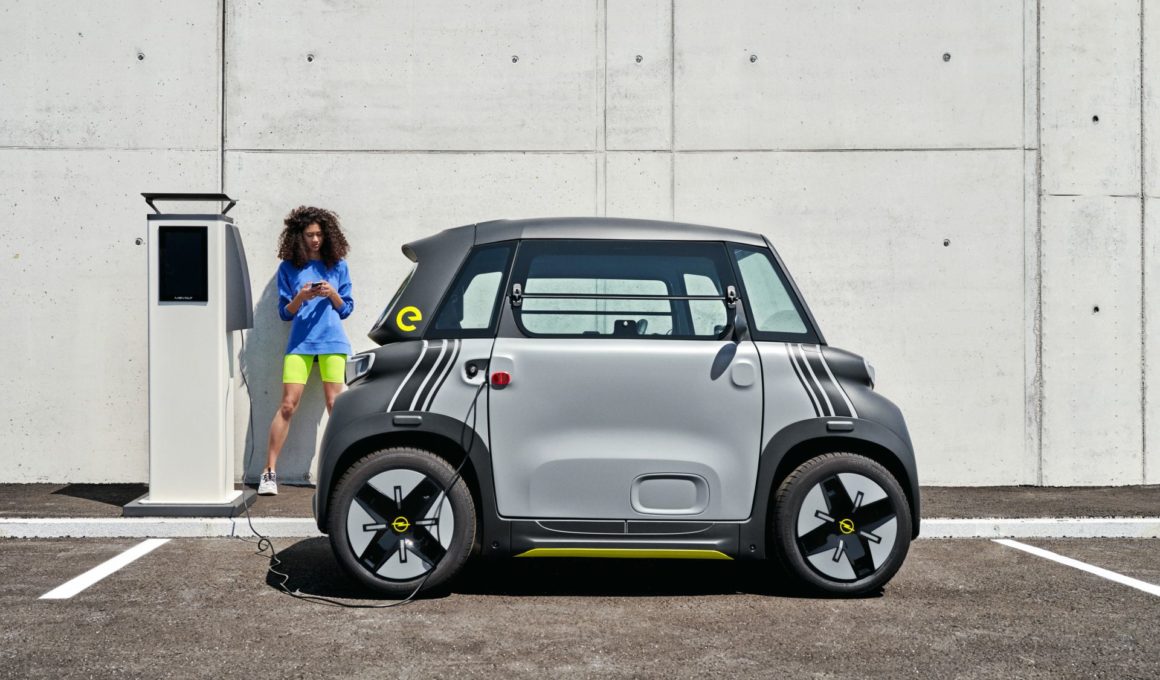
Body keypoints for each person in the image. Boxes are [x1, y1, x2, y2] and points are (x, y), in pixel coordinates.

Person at [259, 206, 354, 495]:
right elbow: (285, 314)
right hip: (300, 343)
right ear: (299, 236)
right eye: (310, 235)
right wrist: (301, 296)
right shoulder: (288, 268)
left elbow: (346, 309)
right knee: (288, 405)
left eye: (319, 234)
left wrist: (332, 293)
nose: (315, 240)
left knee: (335, 406)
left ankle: (343, 470)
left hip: (332, 342)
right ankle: (269, 472)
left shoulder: (338, 266)